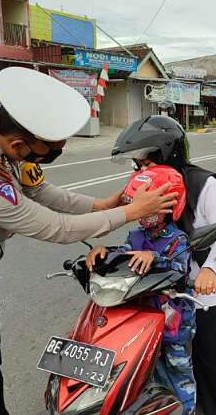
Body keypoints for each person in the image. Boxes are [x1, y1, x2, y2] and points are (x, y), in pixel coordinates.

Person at [0, 67, 178, 415]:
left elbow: (41, 191)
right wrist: (130, 213)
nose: (53, 154)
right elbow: (54, 227)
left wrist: (101, 205)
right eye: (50, 149)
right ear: (19, 144)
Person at [112, 115, 216, 415]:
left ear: (165, 153)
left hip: (199, 292)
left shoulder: (203, 184)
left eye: (144, 162)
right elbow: (139, 231)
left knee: (213, 362)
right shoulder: (148, 185)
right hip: (157, 292)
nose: (140, 170)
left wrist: (210, 270)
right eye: (137, 164)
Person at [86, 165, 196, 415]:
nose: (141, 211)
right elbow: (124, 256)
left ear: (170, 205)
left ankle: (187, 410)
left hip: (173, 325)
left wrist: (154, 257)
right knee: (147, 372)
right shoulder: (135, 235)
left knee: (179, 373)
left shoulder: (178, 239)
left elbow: (180, 269)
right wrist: (104, 252)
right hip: (142, 321)